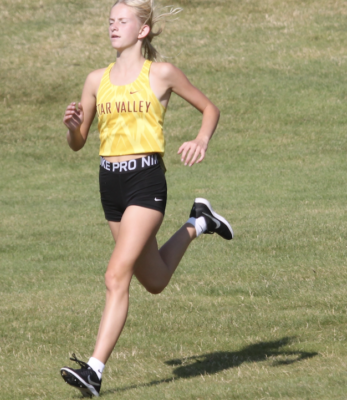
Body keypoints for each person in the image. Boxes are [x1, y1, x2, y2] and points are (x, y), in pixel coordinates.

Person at [60, 0, 233, 397]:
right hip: (110, 186)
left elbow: (210, 108)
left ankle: (94, 370)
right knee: (154, 280)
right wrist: (72, 127)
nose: (113, 26)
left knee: (115, 276)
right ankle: (199, 221)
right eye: (110, 21)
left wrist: (201, 139)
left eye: (122, 21)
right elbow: (78, 142)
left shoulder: (162, 73)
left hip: (145, 183)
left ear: (142, 30)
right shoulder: (95, 80)